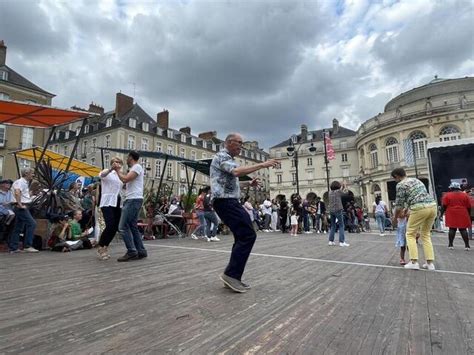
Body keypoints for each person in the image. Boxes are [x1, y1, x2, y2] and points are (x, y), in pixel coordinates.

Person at [211, 133, 278, 293]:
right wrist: (263, 164)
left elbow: (229, 182)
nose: (241, 146)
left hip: (227, 200)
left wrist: (249, 183)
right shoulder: (222, 156)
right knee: (248, 234)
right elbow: (235, 172)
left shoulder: (228, 159)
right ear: (228, 143)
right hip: (225, 201)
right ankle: (231, 275)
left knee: (243, 235)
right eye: (238, 143)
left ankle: (232, 275)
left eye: (242, 143)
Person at [391, 168, 437, 270]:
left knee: (410, 234)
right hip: (432, 206)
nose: (395, 180)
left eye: (394, 178)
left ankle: (414, 261)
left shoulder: (401, 185)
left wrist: (394, 218)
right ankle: (430, 263)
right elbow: (416, 196)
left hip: (419, 208)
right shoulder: (417, 180)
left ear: (397, 176)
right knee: (425, 234)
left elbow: (399, 205)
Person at [115, 151, 148, 262]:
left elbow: (125, 179)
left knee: (122, 226)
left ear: (131, 157)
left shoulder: (137, 167)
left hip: (133, 199)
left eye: (127, 157)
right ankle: (141, 251)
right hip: (133, 199)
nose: (126, 159)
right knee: (132, 226)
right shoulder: (134, 169)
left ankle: (132, 251)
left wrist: (117, 170)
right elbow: (125, 181)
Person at [97, 157, 124, 260]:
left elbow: (123, 185)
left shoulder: (120, 175)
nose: (117, 164)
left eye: (119, 163)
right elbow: (101, 175)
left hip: (117, 201)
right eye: (115, 162)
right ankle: (101, 246)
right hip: (107, 201)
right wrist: (111, 169)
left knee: (116, 226)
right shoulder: (108, 172)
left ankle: (105, 246)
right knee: (110, 224)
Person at [9, 168, 38, 254]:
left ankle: (13, 248)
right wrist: (20, 204)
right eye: (32, 173)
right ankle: (27, 246)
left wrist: (29, 195)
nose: (33, 175)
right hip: (21, 207)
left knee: (18, 227)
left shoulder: (24, 183)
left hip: (22, 206)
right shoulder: (20, 182)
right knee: (32, 223)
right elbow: (17, 192)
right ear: (26, 173)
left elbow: (21, 193)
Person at [441, 182, 471, 250]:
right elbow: (469, 206)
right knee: (463, 229)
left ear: (451, 188)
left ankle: (450, 245)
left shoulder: (447, 195)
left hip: (451, 213)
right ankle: (467, 246)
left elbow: (444, 206)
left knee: (452, 228)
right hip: (463, 213)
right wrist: (468, 214)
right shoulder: (465, 195)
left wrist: (441, 214)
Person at [327, 181, 350, 247]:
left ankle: (331, 241)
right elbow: (346, 193)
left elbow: (340, 192)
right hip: (338, 210)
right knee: (341, 225)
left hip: (331, 211)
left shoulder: (330, 192)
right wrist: (345, 186)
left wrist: (342, 187)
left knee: (333, 226)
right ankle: (341, 241)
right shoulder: (338, 192)